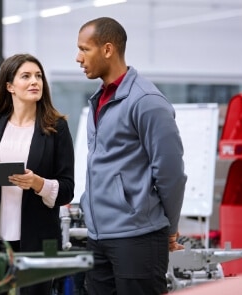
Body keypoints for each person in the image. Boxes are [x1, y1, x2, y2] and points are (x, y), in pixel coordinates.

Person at [76, 17, 187, 295]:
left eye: (84, 49)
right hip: (99, 236)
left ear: (108, 49)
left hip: (137, 236)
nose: (78, 58)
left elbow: (170, 172)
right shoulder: (99, 99)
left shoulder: (146, 101)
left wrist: (170, 228)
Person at [0, 53, 75, 295]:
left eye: (38, 76)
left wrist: (38, 183)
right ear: (9, 86)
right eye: (25, 76)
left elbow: (68, 188)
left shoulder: (57, 127)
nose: (34, 81)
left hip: (38, 238)